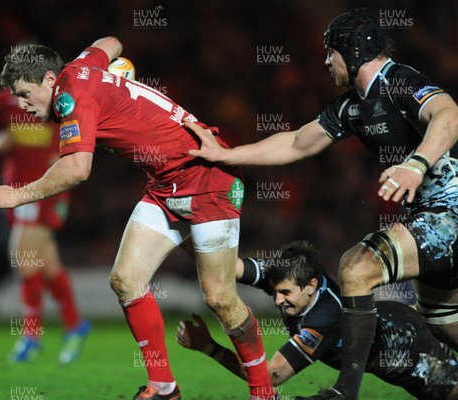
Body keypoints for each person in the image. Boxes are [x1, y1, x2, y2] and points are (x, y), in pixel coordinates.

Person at [0, 37, 277, 400]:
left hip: (208, 179)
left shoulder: (72, 97)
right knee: (125, 280)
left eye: (25, 94)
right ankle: (164, 388)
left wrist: (17, 194)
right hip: (166, 186)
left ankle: (264, 393)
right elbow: (111, 42)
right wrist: (117, 72)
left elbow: (76, 170)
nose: (22, 106)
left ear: (50, 80)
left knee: (220, 297)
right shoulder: (82, 65)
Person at [183, 8, 458, 400]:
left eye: (331, 53)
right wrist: (225, 154)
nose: (326, 61)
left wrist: (416, 164)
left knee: (356, 267)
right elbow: (295, 142)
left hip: (450, 212)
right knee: (444, 324)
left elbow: (449, 112)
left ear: (352, 50)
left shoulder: (397, 80)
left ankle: (345, 392)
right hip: (431, 222)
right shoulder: (352, 107)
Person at [177, 241, 458, 399]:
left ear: (311, 286)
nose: (277, 301)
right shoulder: (292, 275)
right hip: (392, 314)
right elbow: (230, 267)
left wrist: (209, 348)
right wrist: (183, 237)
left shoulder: (323, 319)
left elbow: (272, 376)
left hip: (407, 352)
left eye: (285, 294)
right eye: (275, 292)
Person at [0, 83, 90, 364]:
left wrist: (67, 153)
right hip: (14, 192)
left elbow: (86, 132)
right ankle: (74, 325)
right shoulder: (0, 100)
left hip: (46, 188)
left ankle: (31, 335)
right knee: (46, 263)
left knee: (21, 255)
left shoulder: (59, 99)